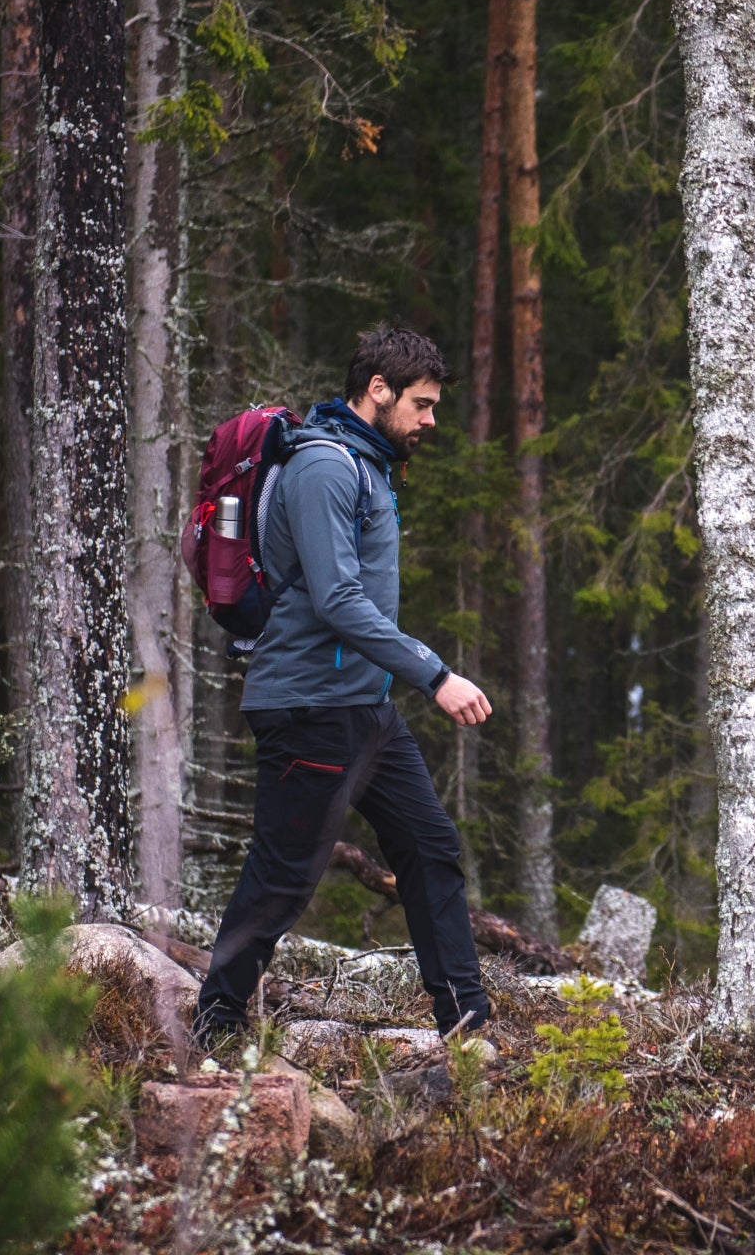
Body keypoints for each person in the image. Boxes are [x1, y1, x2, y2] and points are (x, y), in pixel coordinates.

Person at [193, 326, 495, 1048]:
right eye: (421, 404)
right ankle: (214, 1027)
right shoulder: (325, 467)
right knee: (283, 877)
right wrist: (436, 675)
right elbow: (336, 599)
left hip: (363, 707)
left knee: (430, 847)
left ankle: (466, 1024)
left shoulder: (369, 466)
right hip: (308, 709)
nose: (431, 420)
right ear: (377, 391)